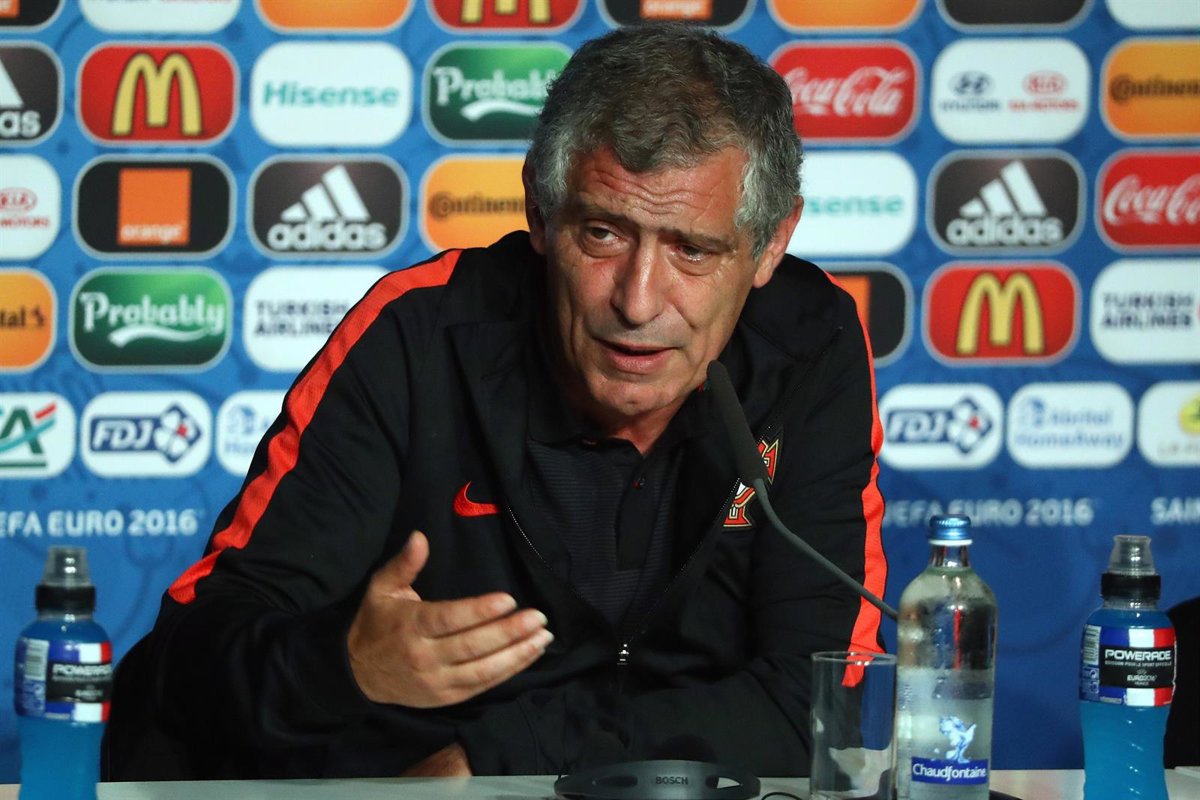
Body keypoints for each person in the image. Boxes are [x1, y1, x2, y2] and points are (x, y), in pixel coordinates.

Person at [103, 22, 887, 780]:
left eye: (691, 249)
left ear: (770, 245)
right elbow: (182, 669)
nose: (639, 301)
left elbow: (823, 698)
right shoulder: (420, 335)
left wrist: (511, 757)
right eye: (603, 233)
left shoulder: (807, 344)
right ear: (540, 213)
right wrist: (342, 666)